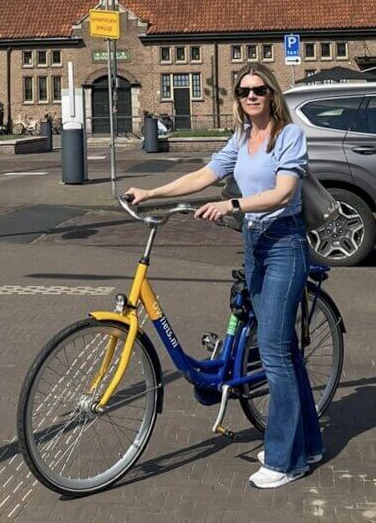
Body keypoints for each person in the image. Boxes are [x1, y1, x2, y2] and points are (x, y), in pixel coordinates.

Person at [125, 63, 323, 490]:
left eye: (258, 90)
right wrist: (151, 192)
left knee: (272, 351)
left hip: (285, 244)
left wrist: (233, 205)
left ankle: (288, 461)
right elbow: (204, 175)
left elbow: (284, 192)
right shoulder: (241, 138)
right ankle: (308, 444)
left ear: (272, 94)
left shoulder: (288, 137)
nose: (250, 97)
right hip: (255, 243)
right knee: (285, 349)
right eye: (243, 91)